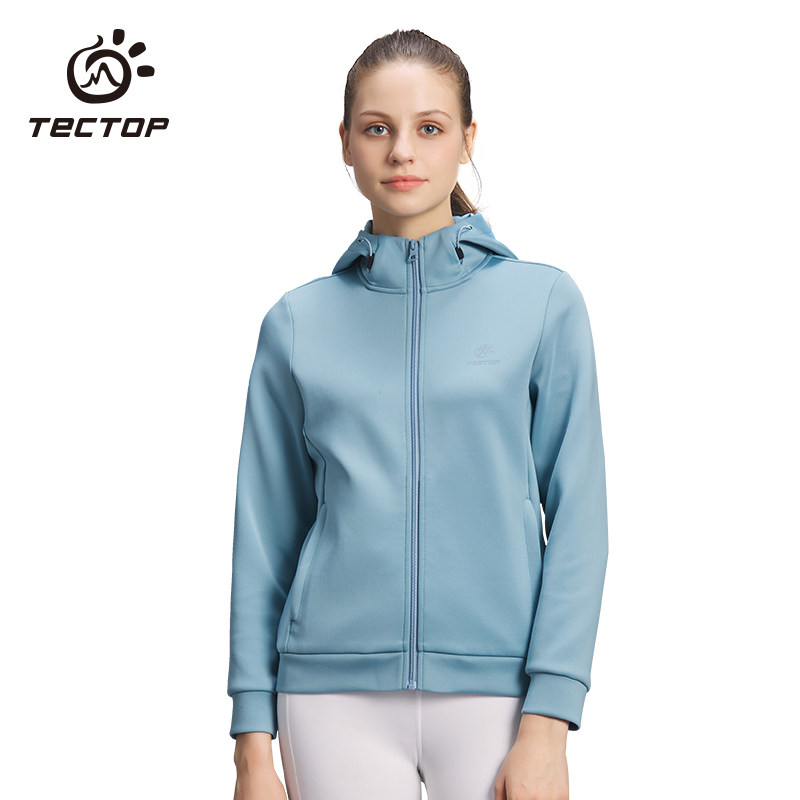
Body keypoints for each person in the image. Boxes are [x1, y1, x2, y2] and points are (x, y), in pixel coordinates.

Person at [228, 28, 608, 800]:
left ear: (468, 139)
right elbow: (264, 536)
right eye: (378, 128)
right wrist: (250, 746)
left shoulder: (542, 303)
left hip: (500, 690)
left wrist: (549, 719)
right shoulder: (296, 323)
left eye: (429, 128)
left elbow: (579, 521)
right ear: (345, 142)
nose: (403, 150)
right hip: (328, 694)